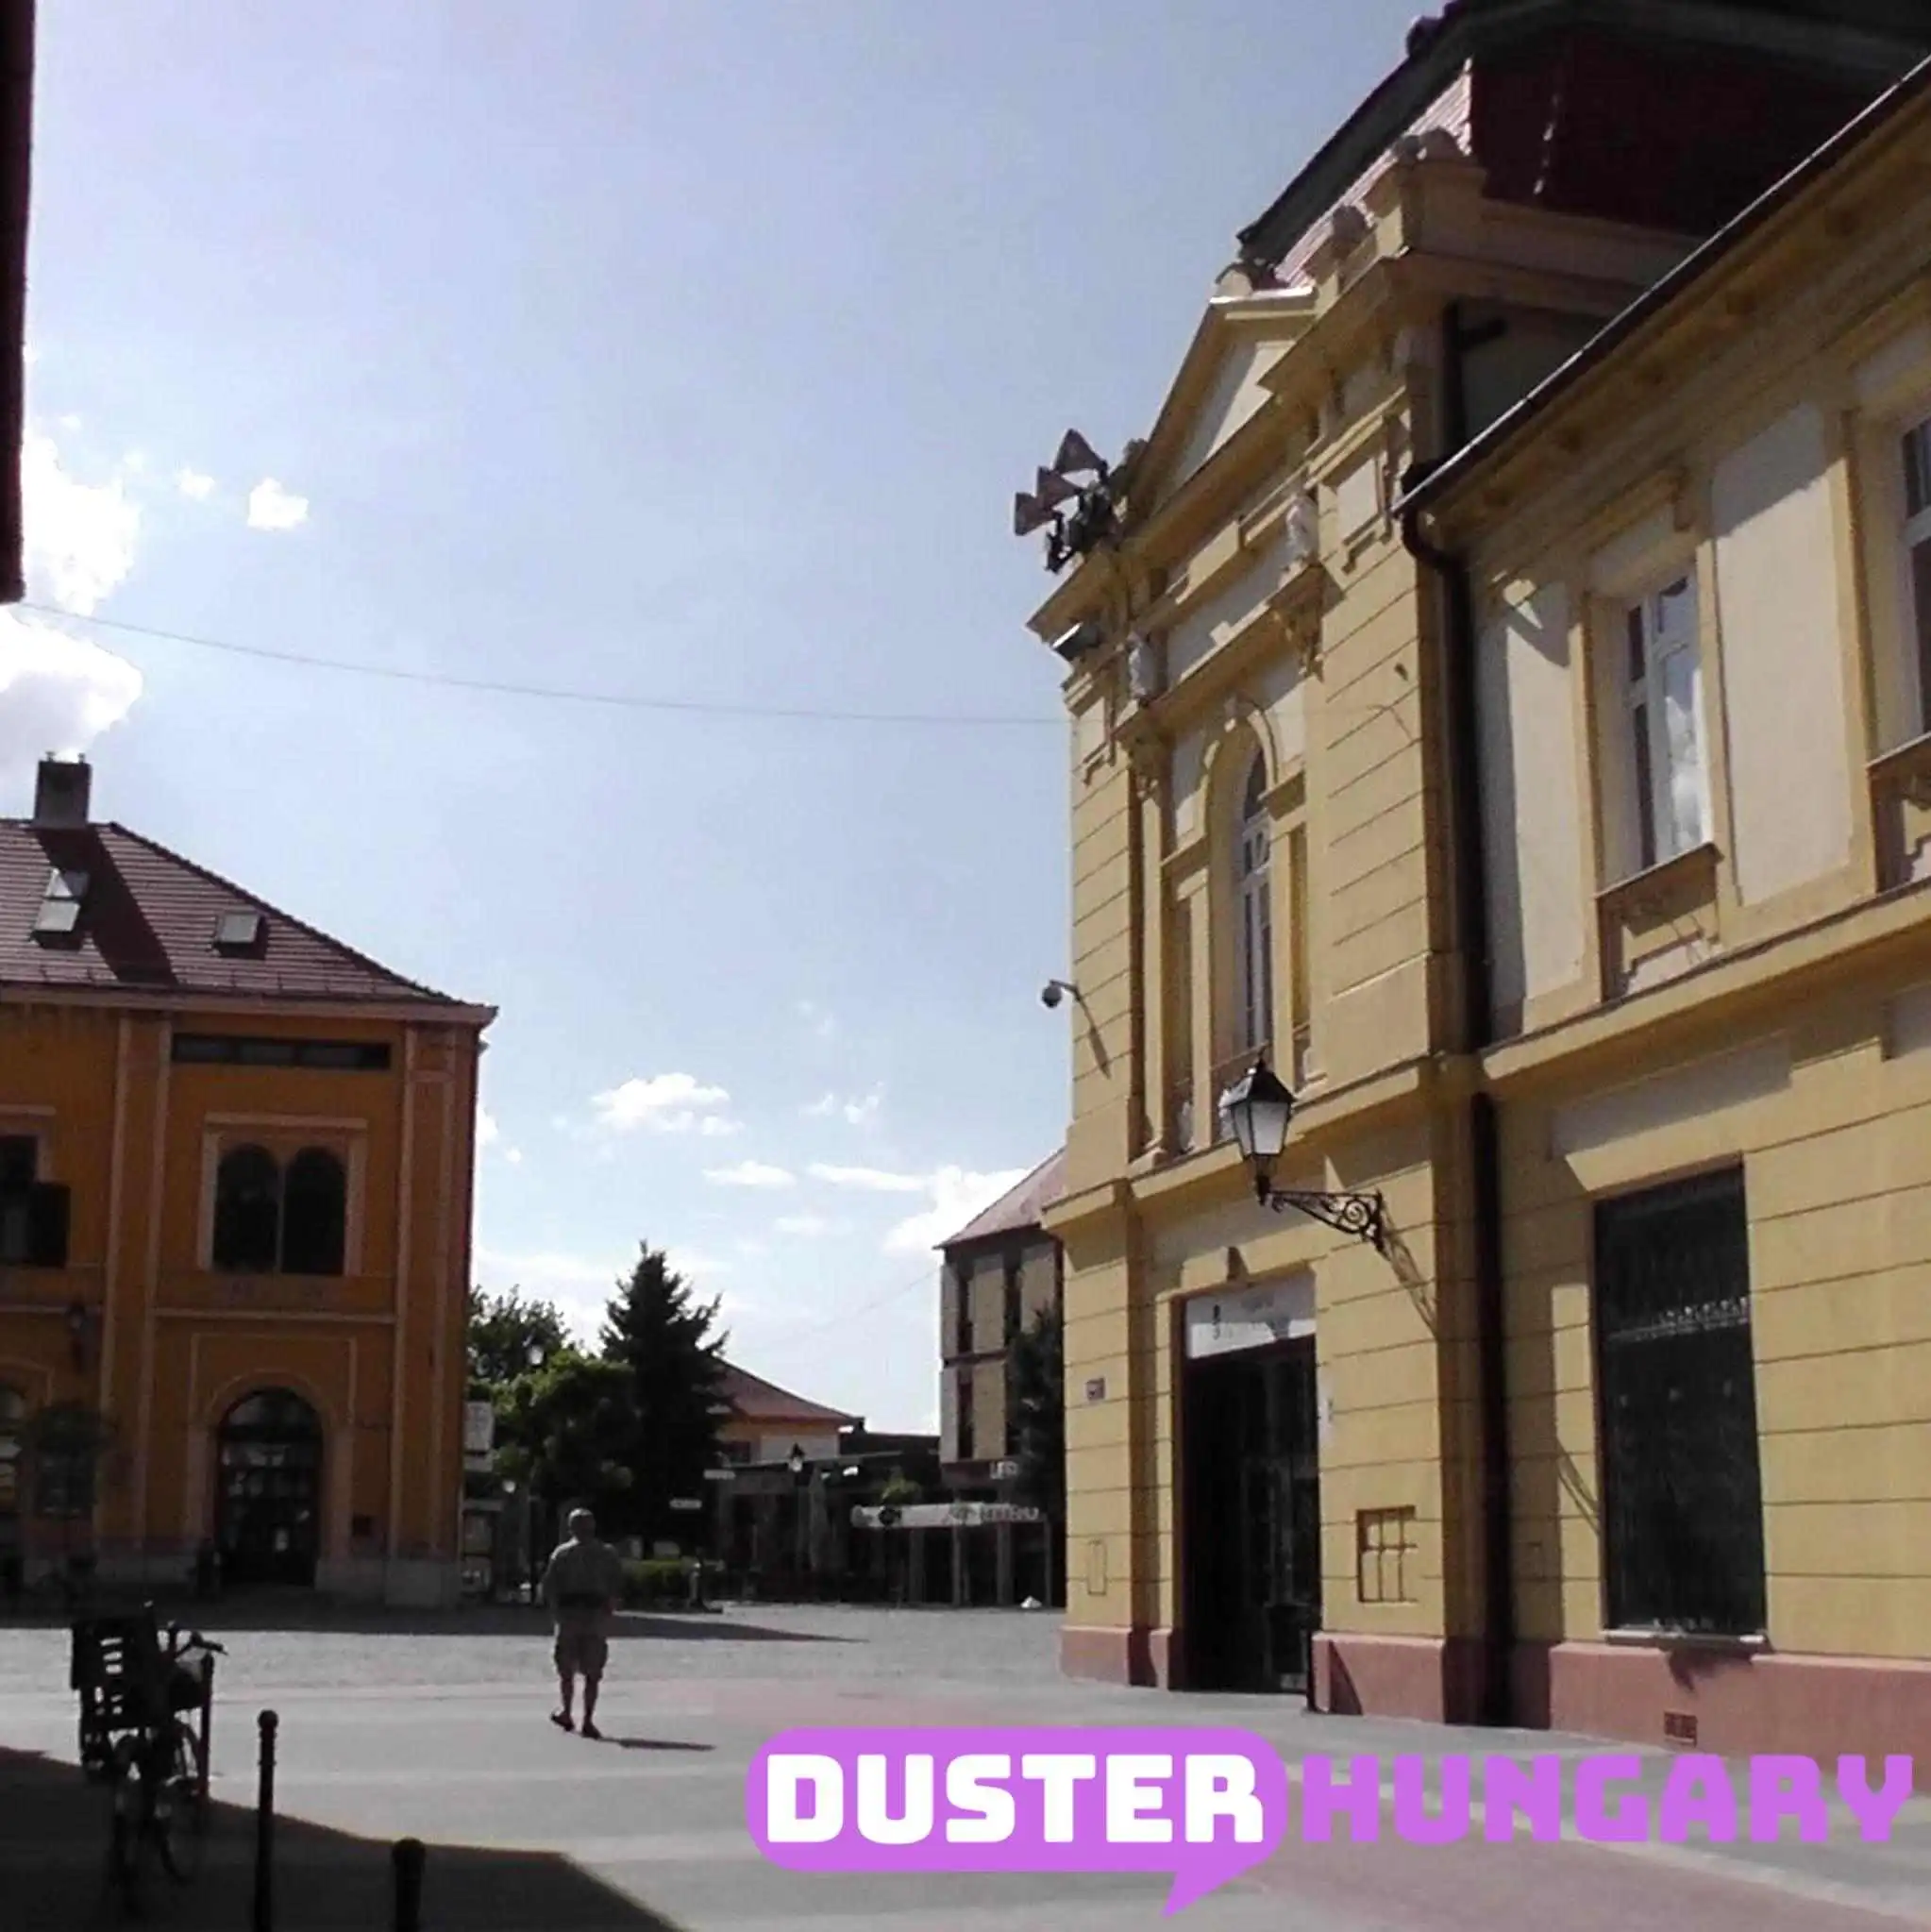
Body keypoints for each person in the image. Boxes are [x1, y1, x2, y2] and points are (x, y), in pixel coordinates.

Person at [540, 1508, 623, 1739]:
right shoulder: (607, 1554)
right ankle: (587, 1720)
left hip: (569, 1616)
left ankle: (567, 1712)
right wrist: (608, 1611)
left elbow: (550, 1586)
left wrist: (556, 1613)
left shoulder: (562, 1554)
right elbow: (616, 1586)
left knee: (566, 1670)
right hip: (595, 1617)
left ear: (571, 1528)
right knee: (592, 1673)